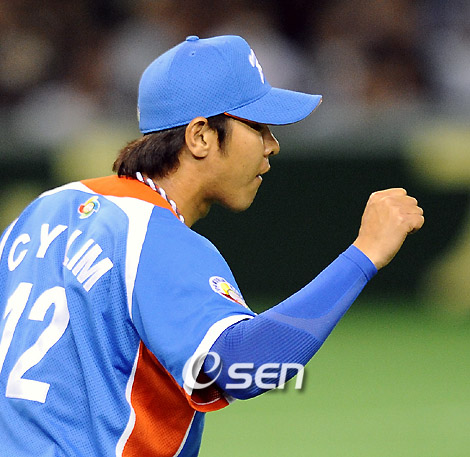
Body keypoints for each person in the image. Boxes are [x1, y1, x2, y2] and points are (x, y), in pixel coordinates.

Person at [0, 35, 424, 456]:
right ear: (200, 136)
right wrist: (363, 255)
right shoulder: (154, 236)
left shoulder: (43, 210)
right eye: (257, 126)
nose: (272, 145)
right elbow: (245, 366)